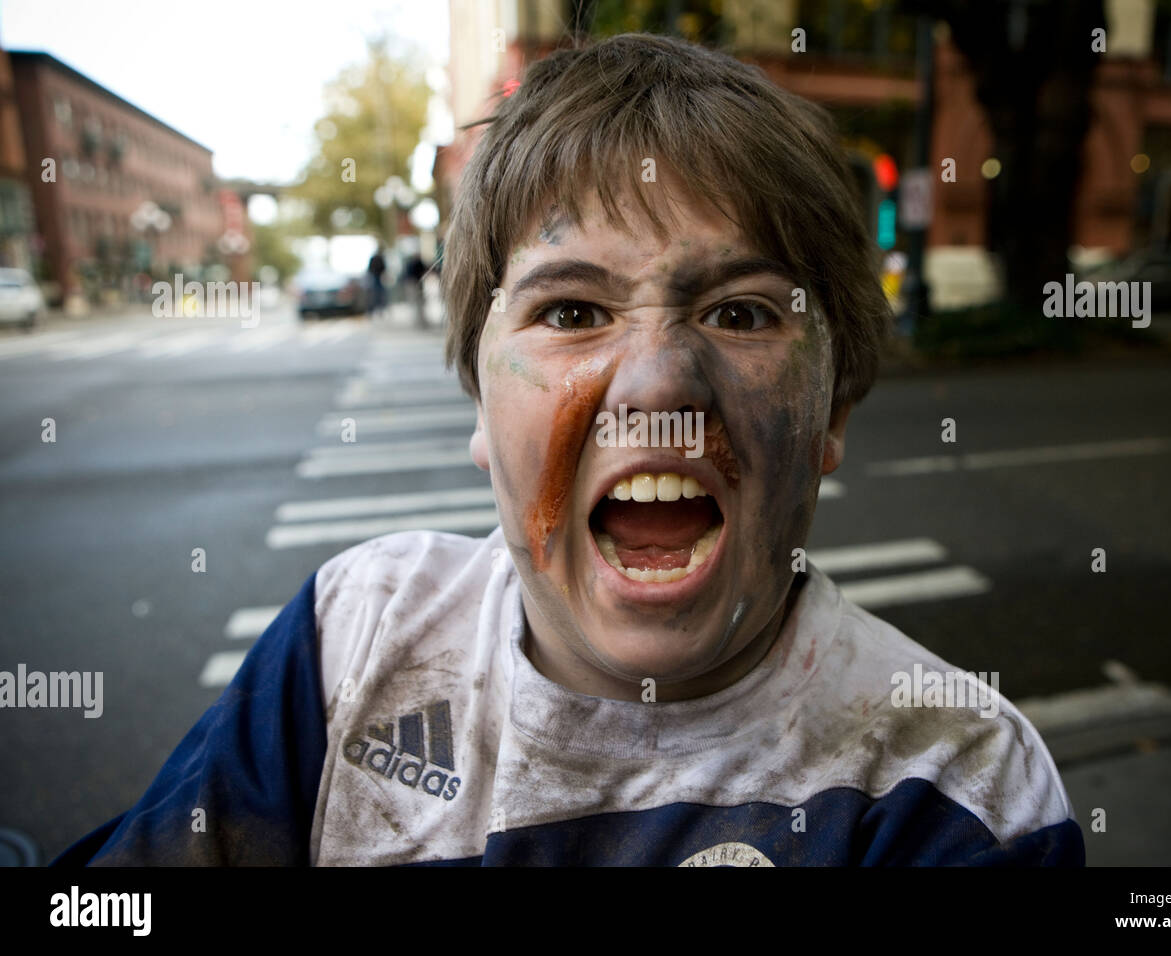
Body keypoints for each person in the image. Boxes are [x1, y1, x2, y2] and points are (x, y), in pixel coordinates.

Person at [53, 33, 1083, 866]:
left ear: (831, 415)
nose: (658, 383)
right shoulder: (350, 647)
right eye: (575, 308)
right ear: (476, 398)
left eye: (740, 311)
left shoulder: (954, 785)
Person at [366, 246, 387, 319]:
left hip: (378, 278)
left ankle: (379, 310)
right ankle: (372, 311)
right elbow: (369, 269)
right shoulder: (376, 258)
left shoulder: (379, 258)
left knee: (379, 295)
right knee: (374, 296)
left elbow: (384, 268)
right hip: (374, 278)